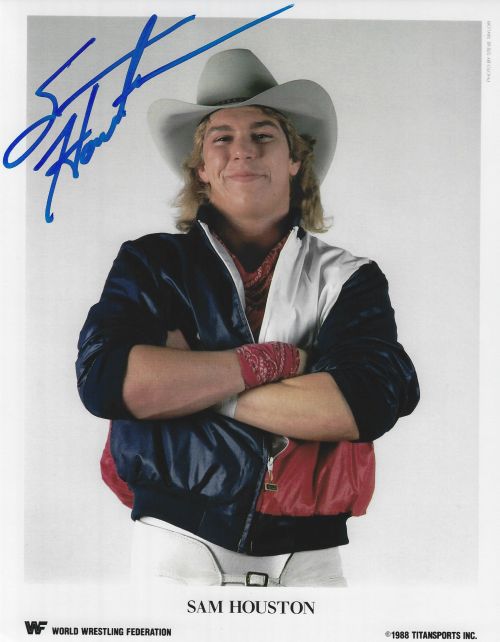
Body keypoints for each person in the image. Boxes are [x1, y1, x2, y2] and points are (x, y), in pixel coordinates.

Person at [76, 49, 419, 587]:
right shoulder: (151, 263)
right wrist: (282, 363)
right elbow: (107, 383)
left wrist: (191, 380)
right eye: (222, 138)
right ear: (201, 168)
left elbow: (363, 405)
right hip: (176, 540)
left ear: (295, 160)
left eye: (263, 135)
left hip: (310, 554)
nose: (243, 150)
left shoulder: (348, 276)